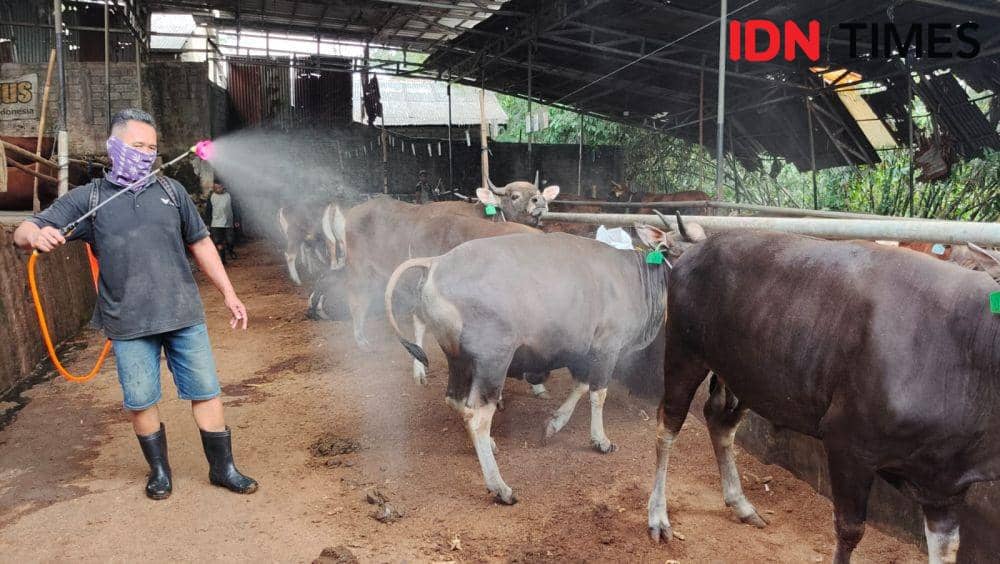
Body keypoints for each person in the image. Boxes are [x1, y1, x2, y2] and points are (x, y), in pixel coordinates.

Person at [13, 108, 257, 500]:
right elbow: (25, 230)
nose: (145, 154)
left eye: (152, 148)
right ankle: (160, 471)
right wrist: (35, 237)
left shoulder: (172, 192)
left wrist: (229, 293)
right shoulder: (88, 199)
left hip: (182, 313)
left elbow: (200, 242)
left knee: (206, 390)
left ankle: (222, 468)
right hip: (127, 321)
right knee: (140, 399)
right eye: (136, 146)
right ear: (114, 148)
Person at [205, 182, 239, 263]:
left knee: (230, 240)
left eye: (219, 187)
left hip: (228, 222)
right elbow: (208, 211)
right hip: (215, 223)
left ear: (223, 187)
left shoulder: (229, 196)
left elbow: (235, 208)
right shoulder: (211, 197)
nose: (218, 189)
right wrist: (208, 223)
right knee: (218, 241)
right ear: (214, 188)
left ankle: (230, 250)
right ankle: (222, 259)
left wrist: (236, 220)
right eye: (216, 188)